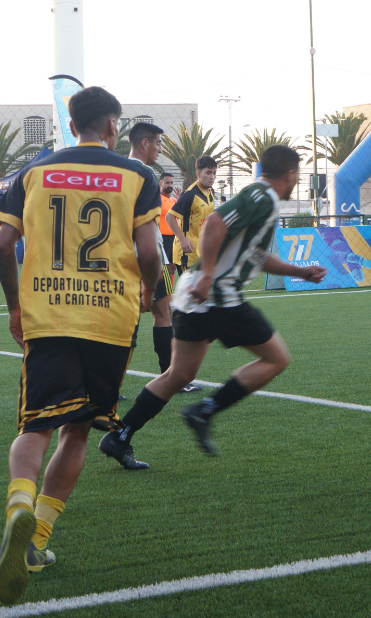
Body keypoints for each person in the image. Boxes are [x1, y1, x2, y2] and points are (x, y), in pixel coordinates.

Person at [0, 86, 162, 605]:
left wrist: (14, 307)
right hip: (110, 318)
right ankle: (37, 539)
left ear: (72, 123)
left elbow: (2, 244)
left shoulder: (35, 171)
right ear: (111, 127)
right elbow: (149, 250)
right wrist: (150, 290)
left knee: (36, 426)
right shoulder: (138, 176)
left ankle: (19, 505)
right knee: (78, 431)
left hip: (48, 315)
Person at [98, 145, 325, 470]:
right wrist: (208, 275)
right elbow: (216, 222)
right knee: (277, 358)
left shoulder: (261, 201)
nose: (297, 180)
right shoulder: (262, 197)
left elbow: (255, 255)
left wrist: (299, 272)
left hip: (195, 295)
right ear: (290, 174)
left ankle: (120, 436)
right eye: (297, 175)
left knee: (180, 374)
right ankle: (204, 411)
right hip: (218, 296)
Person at [126, 122, 180, 378]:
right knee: (163, 313)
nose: (160, 149)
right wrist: (154, 261)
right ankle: (170, 378)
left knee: (128, 318)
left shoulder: (118, 172)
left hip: (121, 257)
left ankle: (111, 384)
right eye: (158, 143)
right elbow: (146, 225)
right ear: (144, 143)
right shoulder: (145, 174)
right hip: (147, 255)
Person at [167, 157, 218, 271]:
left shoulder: (210, 192)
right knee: (190, 283)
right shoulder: (189, 195)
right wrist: (182, 239)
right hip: (187, 253)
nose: (212, 177)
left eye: (214, 173)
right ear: (198, 173)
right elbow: (169, 217)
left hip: (202, 251)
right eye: (208, 173)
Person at [158, 173, 178, 278]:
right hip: (162, 238)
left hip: (174, 238)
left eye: (171, 182)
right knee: (162, 267)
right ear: (160, 183)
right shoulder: (156, 199)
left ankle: (170, 288)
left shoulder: (174, 201)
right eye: (167, 182)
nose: (170, 185)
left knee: (172, 266)